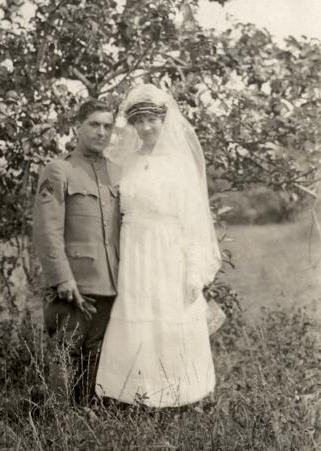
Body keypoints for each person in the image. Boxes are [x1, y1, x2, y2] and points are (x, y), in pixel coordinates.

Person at [95, 84, 222, 408]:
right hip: (135, 252)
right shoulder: (129, 162)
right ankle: (138, 395)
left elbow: (193, 219)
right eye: (139, 121)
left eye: (152, 120)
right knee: (137, 315)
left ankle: (180, 395)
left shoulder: (179, 163)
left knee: (169, 314)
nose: (146, 127)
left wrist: (195, 270)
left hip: (168, 251)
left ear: (164, 120)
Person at [33, 99, 120, 404]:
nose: (101, 132)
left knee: (95, 352)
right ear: (76, 127)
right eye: (94, 124)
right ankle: (58, 419)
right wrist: (62, 278)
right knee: (65, 352)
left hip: (110, 282)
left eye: (108, 126)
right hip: (75, 282)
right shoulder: (59, 170)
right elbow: (47, 231)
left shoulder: (116, 172)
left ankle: (84, 416)